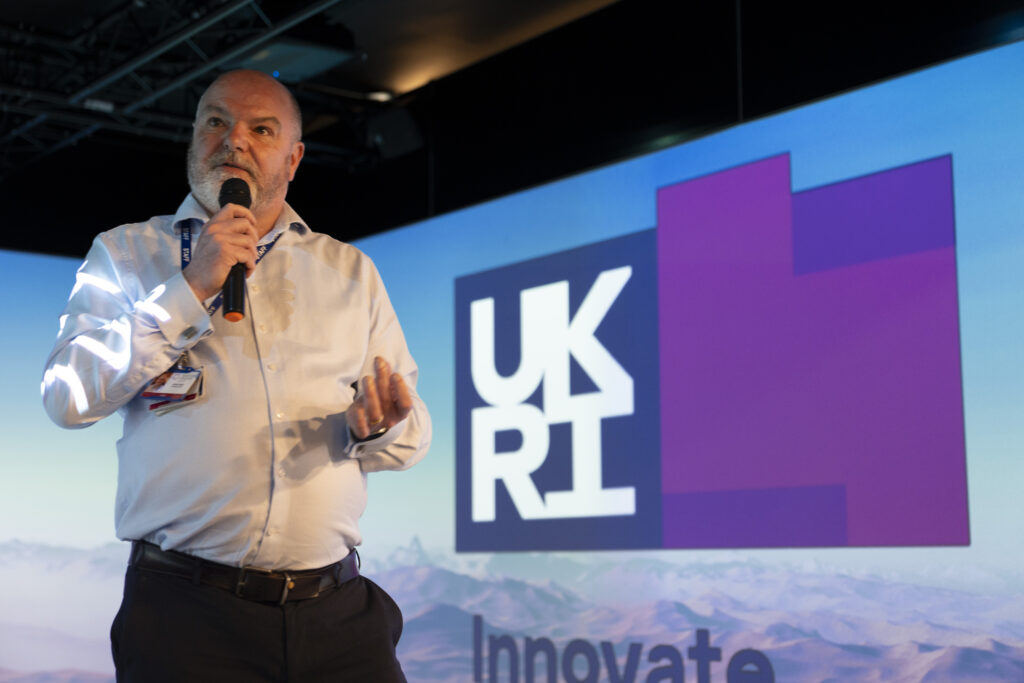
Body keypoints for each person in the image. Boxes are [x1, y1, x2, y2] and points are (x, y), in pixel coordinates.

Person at [41, 69, 431, 682]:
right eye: (216, 122)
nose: (234, 140)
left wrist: (377, 426)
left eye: (261, 129)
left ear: (293, 158)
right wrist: (190, 287)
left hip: (338, 617)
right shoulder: (127, 254)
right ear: (194, 137)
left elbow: (412, 436)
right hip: (187, 619)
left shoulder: (349, 272)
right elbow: (67, 395)